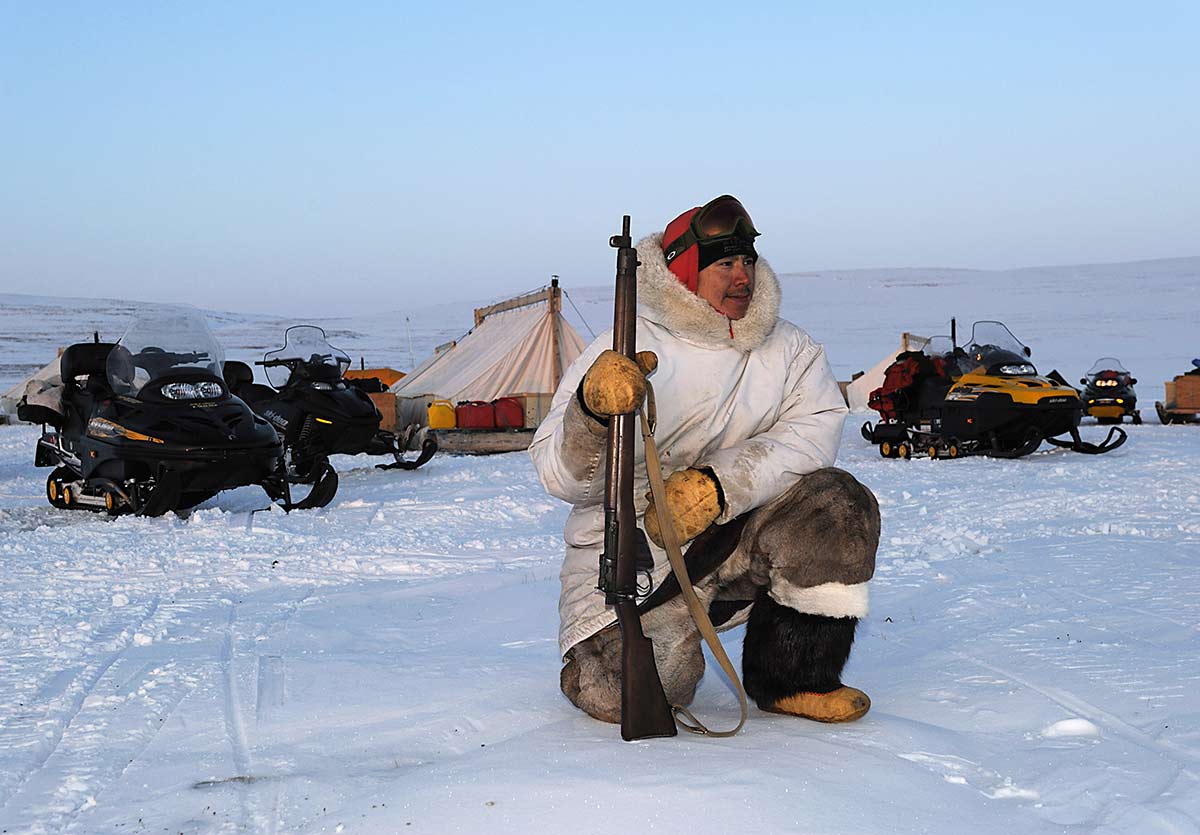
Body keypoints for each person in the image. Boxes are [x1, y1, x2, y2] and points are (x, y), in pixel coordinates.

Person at [529, 195, 880, 725]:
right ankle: (607, 658)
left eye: (748, 261)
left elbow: (814, 431)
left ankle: (793, 679)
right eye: (725, 264)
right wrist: (589, 413)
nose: (743, 277)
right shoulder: (619, 347)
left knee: (838, 505)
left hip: (733, 534)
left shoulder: (792, 349)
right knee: (637, 689)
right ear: (686, 271)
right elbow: (559, 476)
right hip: (640, 555)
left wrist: (720, 485)